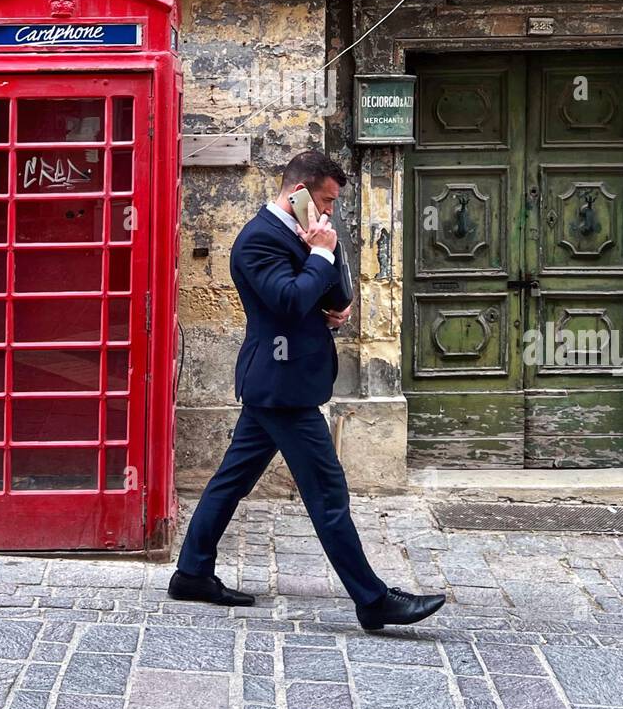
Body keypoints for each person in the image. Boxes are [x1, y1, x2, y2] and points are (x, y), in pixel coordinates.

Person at [169, 150, 446, 631]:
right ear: (298, 192)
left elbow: (333, 295)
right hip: (283, 386)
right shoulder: (257, 240)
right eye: (325, 199)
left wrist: (327, 259)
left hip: (280, 381)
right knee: (328, 493)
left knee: (231, 481)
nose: (329, 210)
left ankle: (192, 572)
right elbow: (290, 299)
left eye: (334, 203)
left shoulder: (302, 232)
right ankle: (372, 599)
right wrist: (317, 254)